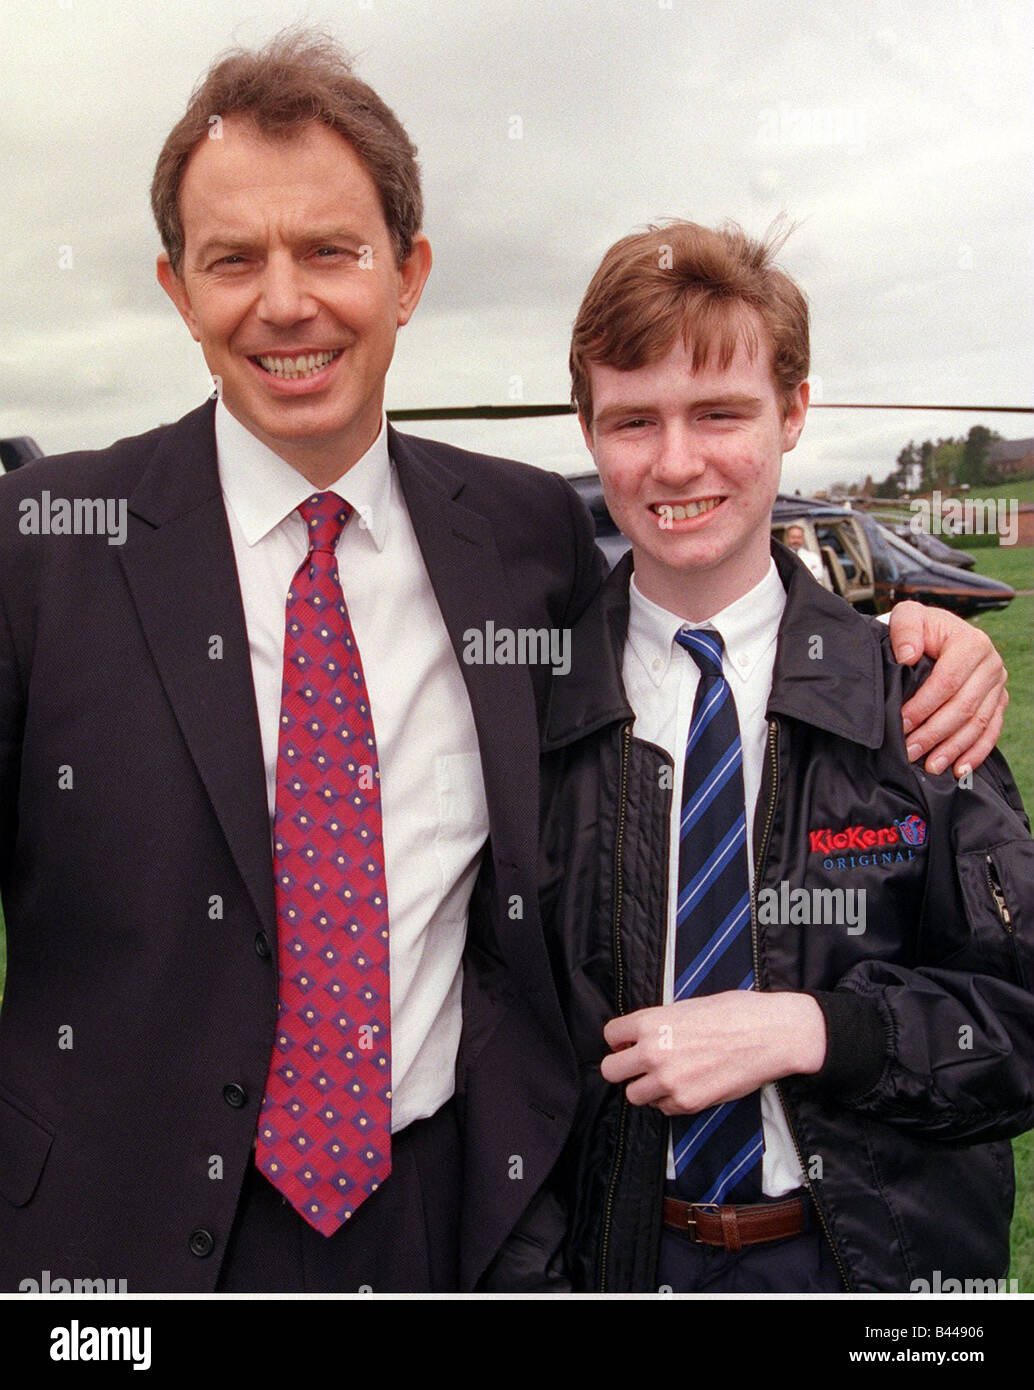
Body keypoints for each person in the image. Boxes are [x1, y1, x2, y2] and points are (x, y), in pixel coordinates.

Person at [0, 35, 1009, 1294]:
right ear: (174, 286)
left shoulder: (521, 534)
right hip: (114, 1240)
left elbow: (703, 601)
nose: (284, 301)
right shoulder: (43, 542)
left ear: (409, 274)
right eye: (232, 259)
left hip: (447, 1215)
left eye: (330, 249)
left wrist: (908, 637)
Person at [526, 220, 1034, 1294]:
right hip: (614, 1261)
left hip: (857, 1264)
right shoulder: (524, 710)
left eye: (719, 413)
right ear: (586, 428)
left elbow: (1016, 1035)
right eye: (632, 420)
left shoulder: (912, 697)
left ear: (792, 412)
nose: (675, 461)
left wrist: (819, 1028)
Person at [784, 523, 829, 587]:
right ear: (787, 538)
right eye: (793, 537)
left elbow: (819, 574)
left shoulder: (813, 557)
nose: (796, 540)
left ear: (803, 539)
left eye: (799, 537)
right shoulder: (783, 556)